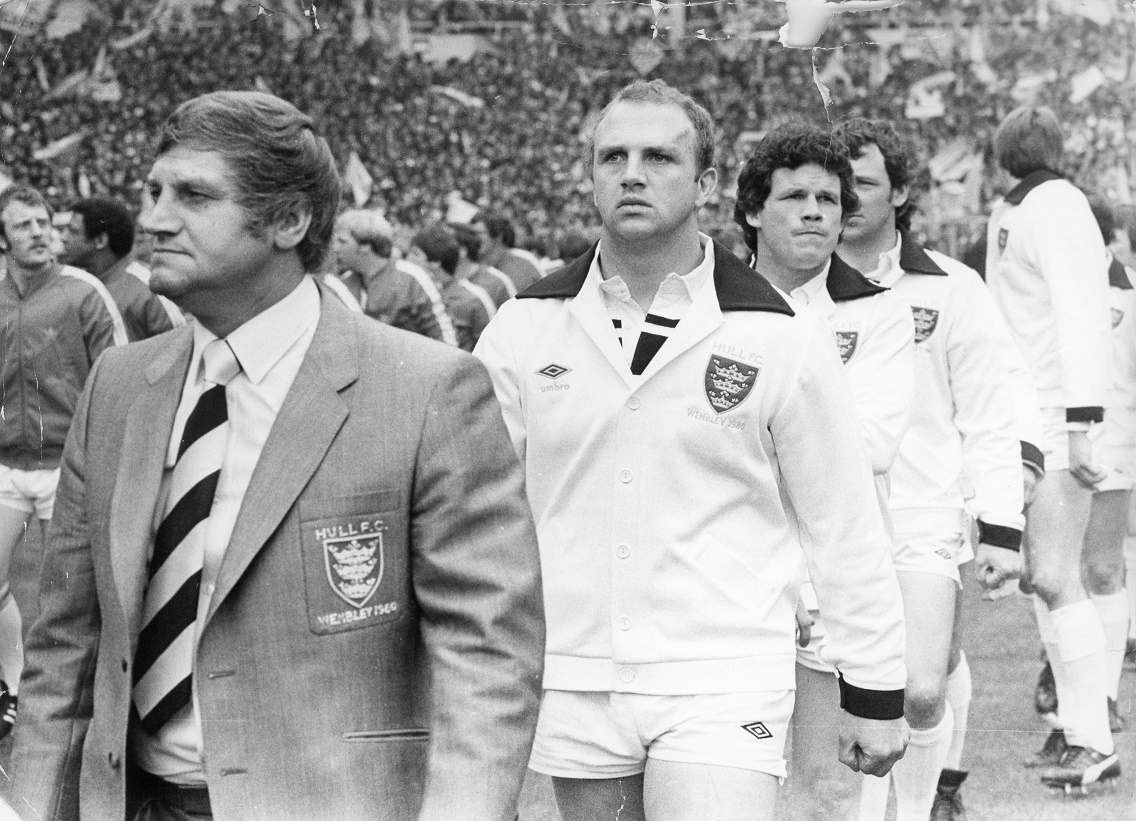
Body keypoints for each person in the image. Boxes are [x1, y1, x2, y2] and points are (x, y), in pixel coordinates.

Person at [8, 90, 545, 821]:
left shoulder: (427, 390)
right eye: (153, 192)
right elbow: (66, 644)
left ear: (289, 220)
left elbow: (487, 658)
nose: (156, 218)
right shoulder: (120, 385)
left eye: (195, 195)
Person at [474, 78, 908, 821]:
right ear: (590, 175)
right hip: (576, 673)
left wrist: (875, 685)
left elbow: (844, 522)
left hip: (725, 670)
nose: (632, 173)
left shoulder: (777, 333)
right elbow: (477, 519)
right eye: (612, 155)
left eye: (658, 157)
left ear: (706, 183)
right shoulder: (523, 328)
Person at [829, 117, 1029, 821]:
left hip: (923, 513)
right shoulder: (785, 287)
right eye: (833, 184)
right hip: (819, 522)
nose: (843, 199)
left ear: (902, 191)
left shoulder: (951, 289)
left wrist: (1002, 527)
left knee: (918, 690)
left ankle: (923, 805)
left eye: (862, 183)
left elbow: (989, 413)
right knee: (836, 694)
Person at [730, 121, 914, 821]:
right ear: (752, 209)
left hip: (829, 587)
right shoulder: (707, 310)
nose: (815, 210)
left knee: (833, 788)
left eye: (829, 199)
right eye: (795, 195)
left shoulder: (878, 312)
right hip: (731, 586)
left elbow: (867, 447)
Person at [984, 105, 1118, 792]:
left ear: (1005, 150)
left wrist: (1081, 421)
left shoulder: (1058, 207)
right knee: (1044, 576)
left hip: (1057, 415)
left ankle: (1092, 738)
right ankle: (1074, 726)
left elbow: (1081, 314)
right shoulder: (1019, 208)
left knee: (1060, 573)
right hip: (1026, 416)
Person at [0, 184, 127, 741]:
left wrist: (100, 452)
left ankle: (84, 703)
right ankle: (12, 690)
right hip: (5, 464)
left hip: (66, 467)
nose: (39, 233)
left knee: (71, 591)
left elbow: (118, 375)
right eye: (24, 225)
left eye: (44, 222)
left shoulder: (84, 291)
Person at [60, 195, 186, 340]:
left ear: (100, 241)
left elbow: (181, 348)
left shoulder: (148, 289)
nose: (63, 237)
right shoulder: (77, 286)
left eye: (73, 231)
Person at [332, 209, 459, 345]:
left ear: (365, 246)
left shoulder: (413, 278)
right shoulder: (342, 284)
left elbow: (446, 338)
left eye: (342, 242)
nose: (335, 248)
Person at [412, 224, 494, 351]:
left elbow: (490, 351)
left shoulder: (474, 299)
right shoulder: (410, 292)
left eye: (415, 254)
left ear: (435, 262)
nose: (408, 259)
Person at [470, 211, 542, 292]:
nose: (473, 238)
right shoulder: (470, 265)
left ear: (498, 236)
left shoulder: (525, 261)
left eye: (478, 233)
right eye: (471, 234)